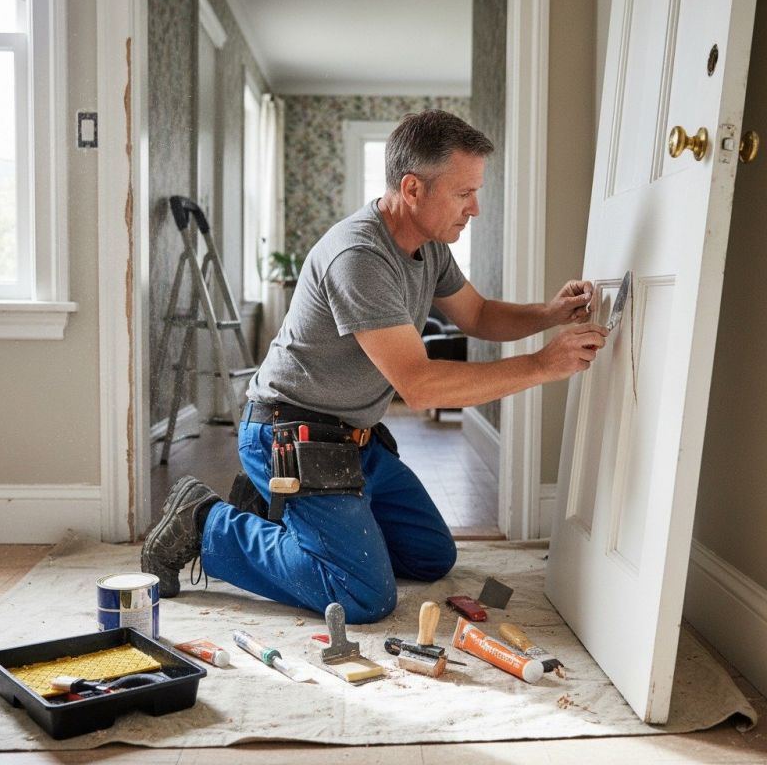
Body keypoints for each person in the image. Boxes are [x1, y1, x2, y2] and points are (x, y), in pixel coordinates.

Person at [142, 109, 607, 624]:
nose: (475, 207)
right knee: (364, 597)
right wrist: (543, 364)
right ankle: (205, 522)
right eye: (463, 193)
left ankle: (306, 525)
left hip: (354, 442)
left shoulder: (428, 247)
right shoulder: (358, 256)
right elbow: (422, 385)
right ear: (413, 189)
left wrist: (550, 313)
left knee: (432, 557)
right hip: (291, 436)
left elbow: (476, 314)